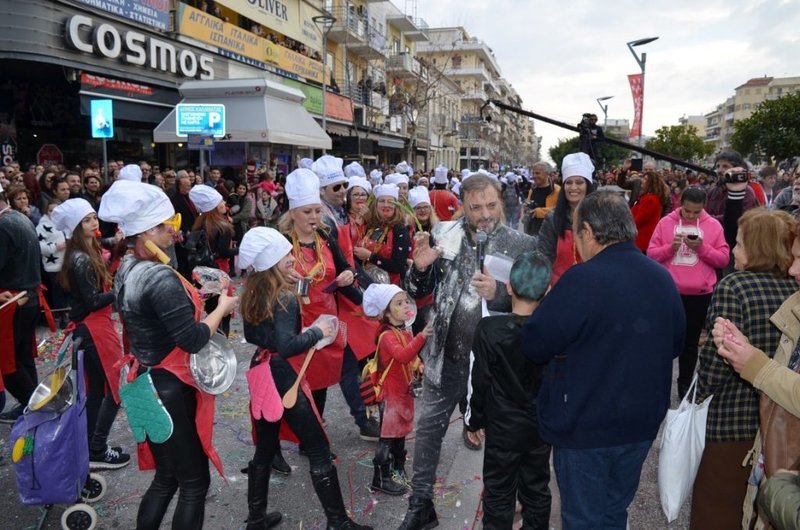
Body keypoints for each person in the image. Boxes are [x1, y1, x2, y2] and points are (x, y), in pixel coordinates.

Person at [522, 191, 685, 529]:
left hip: (586, 425)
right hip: (640, 423)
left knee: (583, 518)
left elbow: (535, 343)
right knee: (614, 513)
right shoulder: (660, 277)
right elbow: (675, 343)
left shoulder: (582, 279)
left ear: (589, 233)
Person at [398, 173, 536, 530]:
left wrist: (501, 294)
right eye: (475, 207)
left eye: (491, 205)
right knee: (428, 429)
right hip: (446, 355)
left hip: (496, 366)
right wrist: (421, 267)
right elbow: (414, 289)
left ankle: (502, 507)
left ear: (501, 203)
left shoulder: (521, 245)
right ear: (464, 206)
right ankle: (420, 504)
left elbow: (536, 301)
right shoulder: (446, 234)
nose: (484, 214)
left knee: (499, 440)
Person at [99, 179, 237, 529]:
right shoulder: (158, 277)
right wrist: (221, 307)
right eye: (163, 227)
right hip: (169, 388)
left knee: (166, 477)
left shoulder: (126, 268)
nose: (171, 234)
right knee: (193, 483)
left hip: (142, 381)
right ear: (143, 233)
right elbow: (191, 340)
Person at [692, 208, 798, 529]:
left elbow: (713, 365)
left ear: (758, 246)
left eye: (738, 244)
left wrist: (698, 394)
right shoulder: (791, 290)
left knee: (715, 511)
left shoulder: (734, 286)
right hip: (775, 431)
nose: (733, 252)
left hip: (730, 422)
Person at [465, 251, 553, 529]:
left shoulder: (489, 328)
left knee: (499, 492)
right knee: (537, 488)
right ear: (547, 290)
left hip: (502, 426)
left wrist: (475, 420)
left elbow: (480, 380)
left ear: (509, 286)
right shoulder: (552, 331)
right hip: (540, 426)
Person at [51, 198, 130, 469]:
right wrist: (121, 289)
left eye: (94, 217)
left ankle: (93, 446)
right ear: (75, 227)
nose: (94, 222)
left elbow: (111, 243)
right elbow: (94, 300)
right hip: (94, 329)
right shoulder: (81, 259)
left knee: (96, 391)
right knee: (112, 391)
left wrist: (121, 244)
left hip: (94, 328)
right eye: (86, 220)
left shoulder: (89, 249)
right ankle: (97, 449)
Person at [647, 186, 729, 398]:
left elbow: (723, 259)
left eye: (696, 212)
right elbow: (650, 255)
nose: (691, 215)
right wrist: (669, 249)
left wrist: (702, 248)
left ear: (704, 208)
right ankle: (659, 385)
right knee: (664, 342)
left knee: (690, 345)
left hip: (700, 295)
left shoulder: (713, 225)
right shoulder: (666, 223)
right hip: (670, 293)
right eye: (687, 211)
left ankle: (684, 385)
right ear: (680, 205)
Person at [361, 284, 431, 496]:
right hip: (391, 395)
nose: (405, 305)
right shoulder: (387, 336)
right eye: (398, 303)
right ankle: (379, 479)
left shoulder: (404, 331)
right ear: (387, 312)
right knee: (388, 436)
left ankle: (397, 470)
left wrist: (419, 366)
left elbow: (411, 359)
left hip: (403, 393)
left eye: (406, 301)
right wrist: (422, 337)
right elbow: (402, 355)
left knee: (400, 434)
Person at [0, 184, 44, 423]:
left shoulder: (5, 224)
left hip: (13, 300)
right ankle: (33, 402)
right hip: (27, 297)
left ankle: (34, 405)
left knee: (11, 362)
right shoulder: (18, 217)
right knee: (23, 357)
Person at [537, 152, 595, 286]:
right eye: (568, 182)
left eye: (579, 182)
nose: (573, 187)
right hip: (558, 288)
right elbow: (544, 257)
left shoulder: (600, 217)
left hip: (593, 287)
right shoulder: (552, 219)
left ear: (588, 185)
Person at [190, 184, 239, 336]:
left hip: (202, 273)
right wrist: (240, 250)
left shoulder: (199, 224)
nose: (225, 204)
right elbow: (224, 252)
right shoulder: (222, 226)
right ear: (214, 207)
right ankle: (222, 343)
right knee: (223, 311)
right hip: (219, 272)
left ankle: (213, 339)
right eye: (221, 202)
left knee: (211, 310)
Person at [705, 151, 760, 276]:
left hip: (736, 247)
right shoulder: (713, 190)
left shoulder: (745, 191)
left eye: (725, 166)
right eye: (718, 166)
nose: (719, 170)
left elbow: (740, 220)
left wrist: (708, 220)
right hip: (714, 246)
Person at [354, 183, 411, 286]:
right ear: (376, 205)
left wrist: (370, 256)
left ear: (396, 206)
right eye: (381, 201)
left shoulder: (400, 230)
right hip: (367, 285)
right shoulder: (370, 226)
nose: (386, 205)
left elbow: (398, 266)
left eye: (390, 201)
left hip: (391, 287)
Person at [37, 199, 69, 329]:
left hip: (66, 263)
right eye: (51, 210)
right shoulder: (42, 226)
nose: (54, 213)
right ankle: (62, 316)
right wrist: (55, 247)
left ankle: (68, 313)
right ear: (46, 211)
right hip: (53, 266)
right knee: (58, 292)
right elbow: (38, 246)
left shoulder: (64, 223)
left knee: (67, 290)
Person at [631, 170, 670, 252]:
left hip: (642, 238)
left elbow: (640, 219)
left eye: (645, 179)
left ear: (651, 183)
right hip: (641, 237)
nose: (642, 181)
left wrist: (627, 226)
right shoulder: (649, 197)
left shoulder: (650, 199)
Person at [523, 162, 560, 236]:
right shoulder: (532, 189)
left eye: (537, 173)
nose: (534, 176)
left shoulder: (557, 190)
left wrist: (541, 212)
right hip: (531, 232)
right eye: (533, 173)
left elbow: (560, 210)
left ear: (547, 174)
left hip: (549, 234)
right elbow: (528, 204)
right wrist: (526, 207)